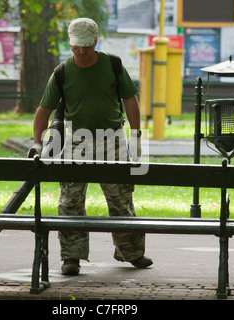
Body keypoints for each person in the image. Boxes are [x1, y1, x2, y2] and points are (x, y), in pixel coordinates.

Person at [31, 17, 152, 276]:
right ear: (70, 43)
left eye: (86, 45)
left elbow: (130, 99)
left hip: (113, 139)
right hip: (77, 141)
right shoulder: (62, 72)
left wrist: (137, 134)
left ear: (96, 41)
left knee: (121, 200)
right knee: (70, 201)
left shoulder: (114, 65)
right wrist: (37, 143)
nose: (82, 51)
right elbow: (43, 111)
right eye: (77, 46)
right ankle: (71, 257)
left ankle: (130, 251)